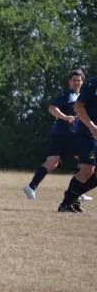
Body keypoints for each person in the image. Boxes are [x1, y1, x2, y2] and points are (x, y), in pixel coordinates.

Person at [23, 70, 92, 205]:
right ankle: (77, 192)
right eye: (74, 80)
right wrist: (66, 117)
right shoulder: (67, 95)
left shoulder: (80, 97)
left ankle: (31, 186)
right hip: (68, 133)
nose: (76, 82)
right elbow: (52, 109)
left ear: (82, 82)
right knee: (86, 161)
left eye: (79, 80)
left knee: (52, 162)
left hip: (58, 134)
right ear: (69, 81)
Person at [58, 73, 97, 212]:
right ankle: (66, 203)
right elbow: (78, 107)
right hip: (88, 132)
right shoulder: (94, 84)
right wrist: (92, 127)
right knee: (87, 169)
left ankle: (73, 197)